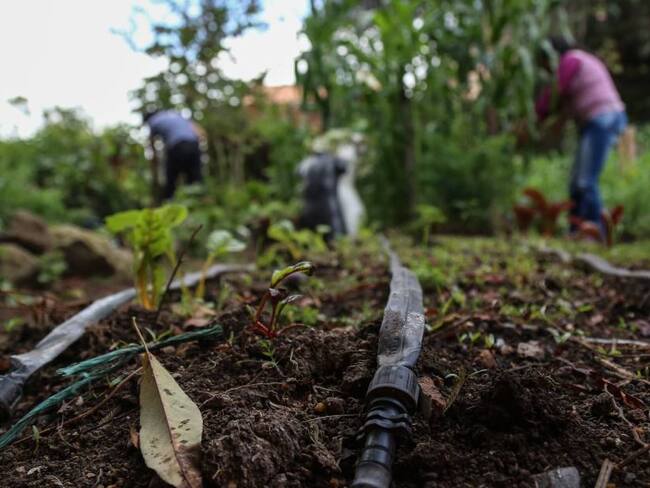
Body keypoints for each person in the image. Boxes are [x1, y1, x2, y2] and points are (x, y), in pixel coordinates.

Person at [535, 37, 627, 237]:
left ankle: (596, 233)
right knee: (576, 182)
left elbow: (555, 92)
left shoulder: (571, 59)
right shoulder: (578, 64)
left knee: (585, 181)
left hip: (603, 118)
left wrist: (537, 114)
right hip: (598, 121)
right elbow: (566, 104)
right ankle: (577, 231)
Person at [143, 109, 204, 200]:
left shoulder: (153, 121)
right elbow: (200, 132)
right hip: (194, 144)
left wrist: (155, 166)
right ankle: (199, 202)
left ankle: (168, 202)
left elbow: (152, 147)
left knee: (171, 180)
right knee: (195, 178)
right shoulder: (176, 115)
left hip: (176, 146)